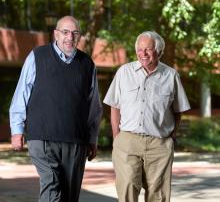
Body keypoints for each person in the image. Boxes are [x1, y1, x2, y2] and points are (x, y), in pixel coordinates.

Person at [9, 15, 102, 202]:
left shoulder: (87, 64)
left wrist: (92, 138)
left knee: (69, 195)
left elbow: (94, 106)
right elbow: (21, 94)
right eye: (65, 32)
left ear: (80, 36)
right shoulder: (37, 56)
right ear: (56, 34)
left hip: (76, 140)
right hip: (42, 138)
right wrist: (17, 130)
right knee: (52, 186)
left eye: (75, 33)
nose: (70, 37)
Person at [103, 31, 190, 202]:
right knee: (127, 187)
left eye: (148, 49)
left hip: (159, 143)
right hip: (127, 141)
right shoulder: (124, 72)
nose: (143, 53)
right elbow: (114, 106)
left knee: (157, 195)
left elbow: (178, 110)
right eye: (140, 49)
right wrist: (116, 137)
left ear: (159, 51)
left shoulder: (171, 75)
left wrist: (170, 137)